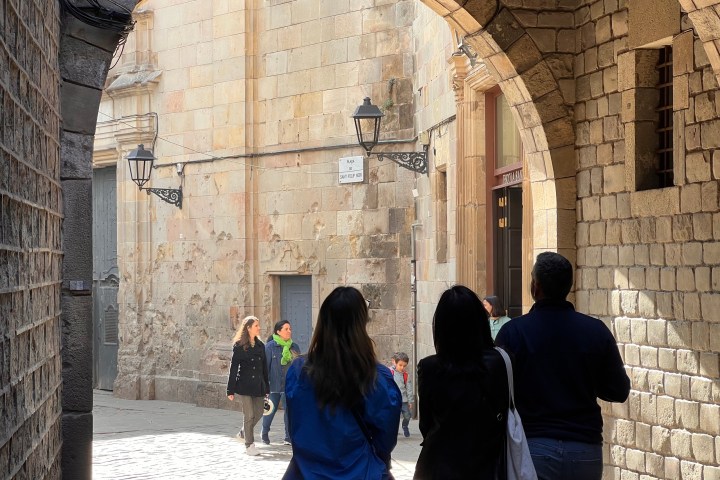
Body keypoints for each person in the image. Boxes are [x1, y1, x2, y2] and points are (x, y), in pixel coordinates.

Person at [495, 252, 631, 480]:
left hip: (533, 447)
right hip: (584, 449)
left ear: (535, 287)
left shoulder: (513, 333)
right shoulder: (595, 331)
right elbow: (618, 390)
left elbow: (497, 393)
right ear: (569, 286)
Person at [283, 286, 402, 480]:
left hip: (306, 472)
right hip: (360, 472)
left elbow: (296, 424)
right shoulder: (377, 378)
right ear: (361, 325)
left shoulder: (298, 372)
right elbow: (385, 440)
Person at [413, 285, 509, 479]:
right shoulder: (500, 363)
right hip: (487, 465)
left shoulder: (430, 367)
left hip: (439, 467)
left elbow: (426, 424)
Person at [226, 315, 270, 456]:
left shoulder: (261, 346)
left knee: (258, 413)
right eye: (256, 325)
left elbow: (264, 368)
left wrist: (267, 388)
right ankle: (249, 445)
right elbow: (234, 369)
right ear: (248, 328)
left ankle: (244, 432)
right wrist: (230, 389)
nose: (259, 328)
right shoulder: (239, 346)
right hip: (244, 386)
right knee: (249, 415)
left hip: (258, 386)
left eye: (258, 325)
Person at [261, 320, 301, 445]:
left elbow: (298, 367)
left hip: (289, 386)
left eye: (290, 329)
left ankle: (288, 437)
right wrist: (265, 386)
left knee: (289, 411)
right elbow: (265, 368)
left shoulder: (294, 347)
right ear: (278, 331)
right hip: (274, 385)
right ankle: (264, 432)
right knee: (270, 411)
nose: (289, 331)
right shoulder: (270, 347)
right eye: (286, 329)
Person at [390, 352, 414, 438]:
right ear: (394, 362)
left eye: (404, 366)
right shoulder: (389, 372)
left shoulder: (405, 375)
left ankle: (405, 425)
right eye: (400, 365)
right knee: (394, 417)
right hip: (393, 399)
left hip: (404, 400)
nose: (402, 367)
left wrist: (410, 401)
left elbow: (409, 388)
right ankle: (393, 430)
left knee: (407, 416)